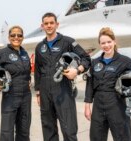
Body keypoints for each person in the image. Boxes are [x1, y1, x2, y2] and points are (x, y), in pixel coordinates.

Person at [84, 27, 131, 141]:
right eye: (103, 43)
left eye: (109, 42)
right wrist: (87, 106)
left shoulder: (125, 61)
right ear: (99, 44)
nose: (106, 45)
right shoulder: (95, 62)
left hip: (117, 105)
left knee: (123, 137)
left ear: (114, 41)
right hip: (98, 107)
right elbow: (89, 85)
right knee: (96, 137)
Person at [34, 12, 91, 141]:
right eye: (46, 23)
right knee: (48, 128)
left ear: (57, 24)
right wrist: (38, 92)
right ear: (42, 26)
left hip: (63, 90)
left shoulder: (68, 42)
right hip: (45, 91)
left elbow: (86, 59)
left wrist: (77, 70)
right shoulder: (39, 47)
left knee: (69, 129)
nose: (49, 26)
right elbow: (37, 70)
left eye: (51, 23)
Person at [0, 25, 32, 141]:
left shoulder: (24, 54)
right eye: (13, 35)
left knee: (24, 130)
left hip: (26, 96)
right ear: (9, 37)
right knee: (7, 132)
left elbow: (27, 72)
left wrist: (29, 80)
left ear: (22, 37)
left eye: (19, 35)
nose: (16, 37)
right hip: (10, 96)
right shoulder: (2, 53)